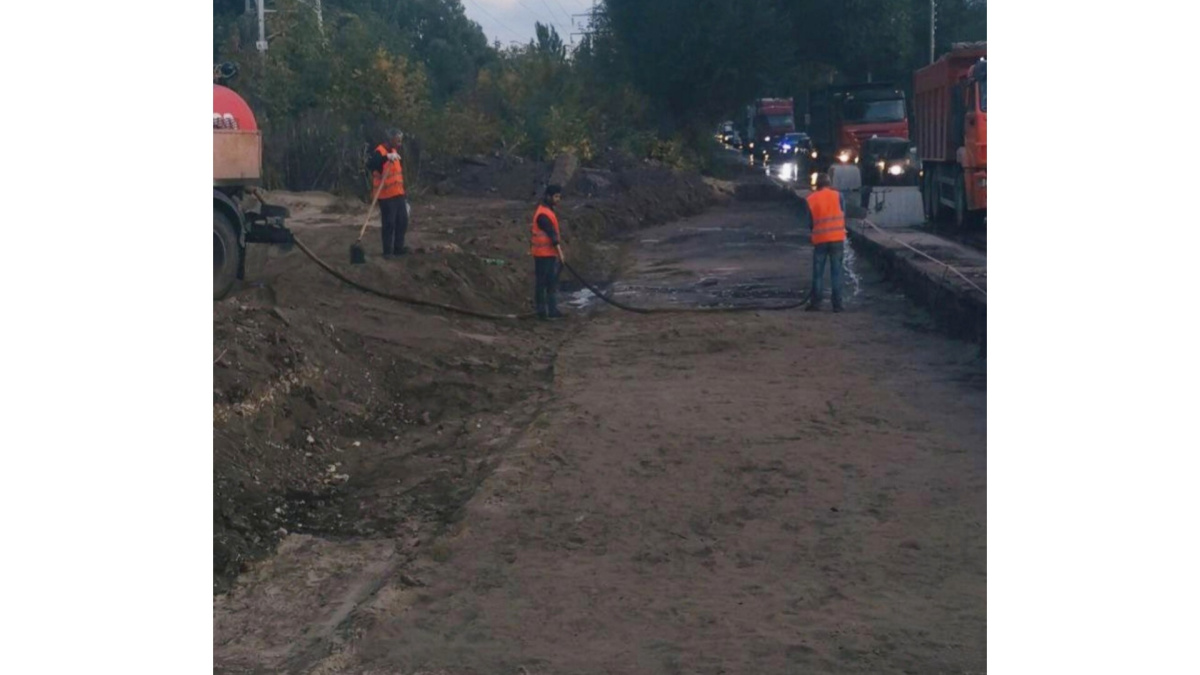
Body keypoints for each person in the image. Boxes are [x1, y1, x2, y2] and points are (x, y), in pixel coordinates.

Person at [804, 173, 846, 312]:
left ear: (817, 184)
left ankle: (816, 303)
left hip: (820, 240)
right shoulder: (838, 196)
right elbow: (843, 214)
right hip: (837, 239)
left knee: (818, 273)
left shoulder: (811, 199)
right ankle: (837, 305)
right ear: (829, 183)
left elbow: (810, 221)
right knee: (837, 272)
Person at [366, 128, 409, 258]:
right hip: (385, 195)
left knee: (402, 221)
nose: (400, 142)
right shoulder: (379, 151)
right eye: (398, 139)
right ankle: (387, 251)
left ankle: (398, 248)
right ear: (391, 139)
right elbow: (371, 164)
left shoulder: (395, 152)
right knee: (389, 223)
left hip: (398, 194)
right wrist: (386, 158)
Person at [531, 184, 566, 320]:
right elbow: (552, 236)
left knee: (551, 283)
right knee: (542, 284)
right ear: (548, 196)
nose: (558, 199)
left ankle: (552, 310)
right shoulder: (543, 215)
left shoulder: (548, 211)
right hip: (542, 255)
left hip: (549, 254)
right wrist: (560, 253)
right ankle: (541, 312)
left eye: (559, 197)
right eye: (556, 196)